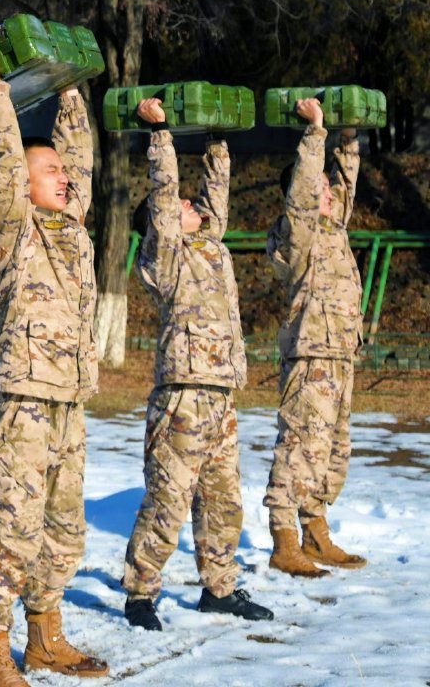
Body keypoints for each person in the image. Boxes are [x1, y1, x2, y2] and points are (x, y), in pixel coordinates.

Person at [0, 46, 107, 687]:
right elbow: (2, 167)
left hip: (68, 400)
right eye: (48, 169)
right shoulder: (15, 228)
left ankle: (46, 638)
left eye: (63, 169)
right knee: (10, 527)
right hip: (20, 399)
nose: (63, 176)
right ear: (24, 181)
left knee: (63, 528)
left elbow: (82, 159)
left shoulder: (74, 230)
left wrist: (70, 91)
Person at [121, 98, 272, 631]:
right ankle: (140, 593)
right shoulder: (164, 256)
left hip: (221, 395)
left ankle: (219, 588)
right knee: (169, 500)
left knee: (224, 501)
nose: (192, 204)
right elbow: (164, 201)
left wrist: (216, 140)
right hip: (183, 395)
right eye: (184, 206)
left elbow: (215, 197)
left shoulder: (209, 245)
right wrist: (160, 136)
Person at [263, 97, 369, 575]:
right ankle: (284, 538)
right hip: (310, 355)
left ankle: (316, 529)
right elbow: (307, 192)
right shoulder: (296, 234)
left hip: (341, 353)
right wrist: (316, 135)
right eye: (317, 188)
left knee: (334, 450)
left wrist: (349, 137)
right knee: (301, 445)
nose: (327, 192)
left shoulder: (334, 227)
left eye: (327, 187)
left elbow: (344, 184)